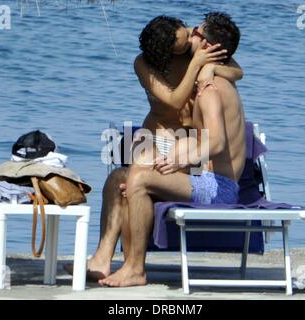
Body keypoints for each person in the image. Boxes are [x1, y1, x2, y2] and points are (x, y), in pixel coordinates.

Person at [64, 13, 243, 283]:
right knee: (117, 179)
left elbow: (235, 73)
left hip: (203, 166)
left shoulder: (210, 83)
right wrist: (199, 65)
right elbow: (173, 103)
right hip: (181, 149)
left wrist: (210, 68)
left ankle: (135, 267)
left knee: (137, 178)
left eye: (192, 33)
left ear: (205, 46)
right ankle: (102, 259)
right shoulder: (153, 64)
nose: (192, 32)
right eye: (182, 43)